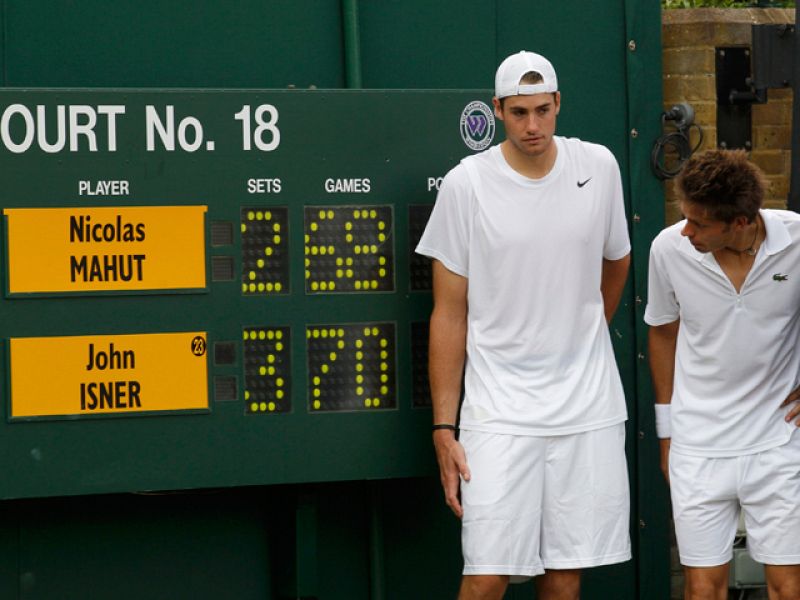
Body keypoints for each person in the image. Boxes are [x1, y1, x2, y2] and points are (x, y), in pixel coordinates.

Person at [415, 50, 632, 600]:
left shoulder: (599, 167)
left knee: (564, 578)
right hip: (499, 412)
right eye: (518, 113)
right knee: (486, 578)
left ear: (559, 104)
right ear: (497, 111)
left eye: (542, 110)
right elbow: (449, 311)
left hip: (587, 407)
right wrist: (445, 426)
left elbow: (617, 260)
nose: (532, 125)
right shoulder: (467, 184)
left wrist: (585, 334)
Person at [646, 149, 800, 600]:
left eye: (699, 223)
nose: (686, 230)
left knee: (788, 587)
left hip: (778, 441)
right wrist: (666, 431)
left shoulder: (796, 239)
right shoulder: (668, 248)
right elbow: (662, 335)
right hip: (697, 446)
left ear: (739, 222)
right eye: (685, 217)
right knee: (701, 589)